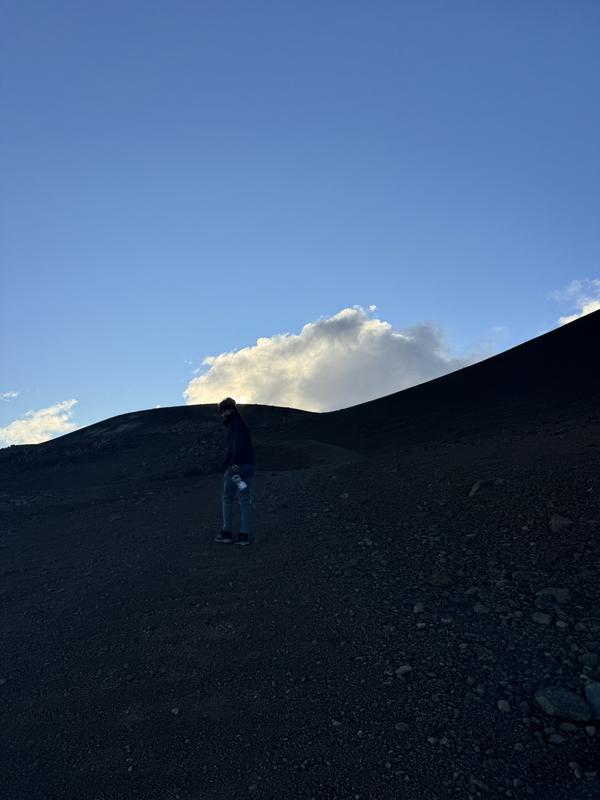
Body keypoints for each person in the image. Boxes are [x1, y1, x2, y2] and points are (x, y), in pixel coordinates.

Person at [215, 397, 255, 545]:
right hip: (248, 467)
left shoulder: (234, 424)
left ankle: (226, 532)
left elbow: (236, 443)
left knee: (228, 497)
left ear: (225, 411)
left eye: (222, 412)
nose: (222, 415)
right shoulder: (241, 423)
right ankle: (244, 534)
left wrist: (234, 462)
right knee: (244, 498)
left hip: (236, 468)